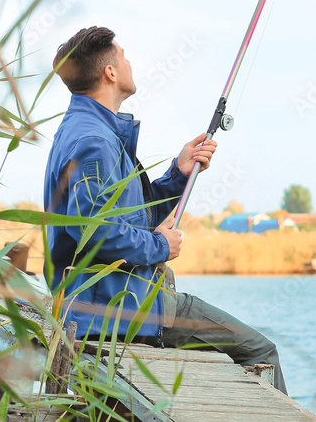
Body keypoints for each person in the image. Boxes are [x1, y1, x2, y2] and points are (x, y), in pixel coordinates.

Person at [43, 26, 286, 393]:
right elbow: (93, 231)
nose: (128, 62)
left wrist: (178, 173)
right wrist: (160, 247)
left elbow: (130, 217)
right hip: (117, 308)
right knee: (259, 351)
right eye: (122, 55)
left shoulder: (88, 130)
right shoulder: (94, 140)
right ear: (109, 71)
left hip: (112, 301)